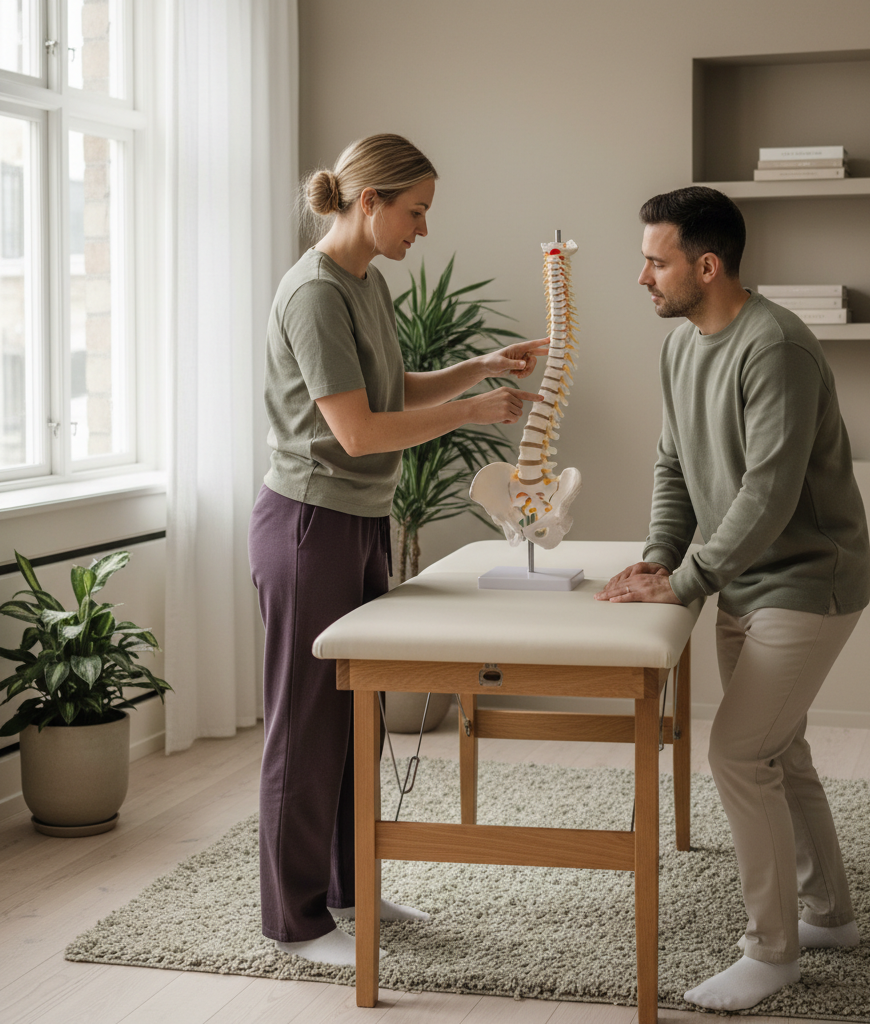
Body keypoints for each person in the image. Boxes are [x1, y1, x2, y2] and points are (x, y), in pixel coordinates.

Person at [248, 133, 545, 967]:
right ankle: (296, 923)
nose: (422, 229)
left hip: (355, 519)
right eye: (415, 212)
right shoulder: (315, 293)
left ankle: (349, 888)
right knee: (305, 726)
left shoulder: (365, 282)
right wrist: (473, 414)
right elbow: (357, 431)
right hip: (309, 525)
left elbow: (388, 391)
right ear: (369, 201)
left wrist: (479, 369)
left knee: (355, 714)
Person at [596, 186, 870, 1011]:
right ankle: (829, 915)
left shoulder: (775, 347)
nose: (643, 276)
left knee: (739, 755)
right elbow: (673, 465)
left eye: (656, 261)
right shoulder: (682, 348)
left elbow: (769, 494)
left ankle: (772, 953)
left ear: (707, 265)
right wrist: (658, 558)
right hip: (741, 580)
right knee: (779, 751)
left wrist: (685, 584)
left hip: (807, 581)